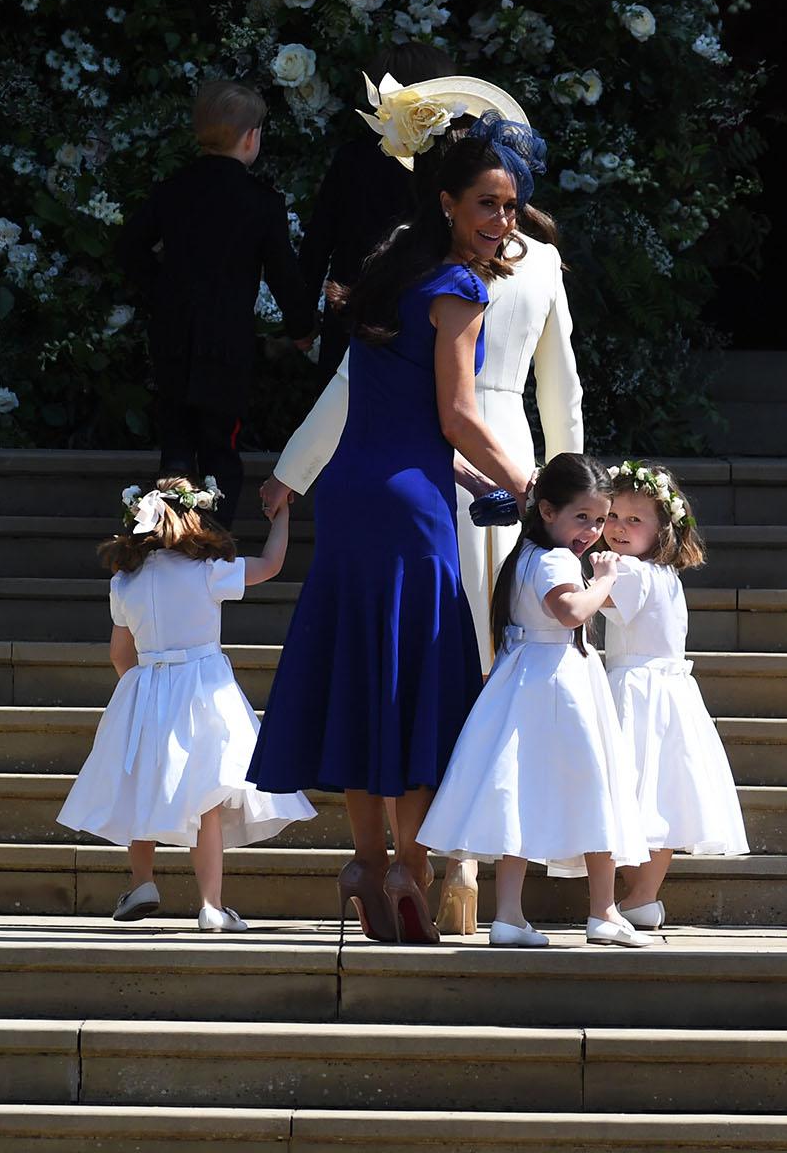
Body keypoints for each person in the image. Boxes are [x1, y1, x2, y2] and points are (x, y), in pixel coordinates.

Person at [245, 107, 542, 946]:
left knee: (364, 680)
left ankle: (368, 867)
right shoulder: (458, 288)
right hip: (407, 509)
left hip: (355, 493)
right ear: (447, 201)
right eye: (486, 203)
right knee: (412, 688)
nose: (501, 220)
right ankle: (410, 866)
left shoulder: (390, 275)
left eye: (511, 207)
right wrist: (532, 488)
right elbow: (455, 415)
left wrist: (478, 476)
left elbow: (399, 419)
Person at [265, 73, 583, 674]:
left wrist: (292, 469)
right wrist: (571, 499)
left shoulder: (408, 255)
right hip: (499, 450)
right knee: (503, 625)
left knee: (440, 626)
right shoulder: (539, 262)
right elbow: (563, 393)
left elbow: (356, 381)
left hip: (434, 451)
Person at [417, 453, 656, 947]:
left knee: (519, 793)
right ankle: (603, 910)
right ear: (547, 511)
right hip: (559, 685)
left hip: (527, 679)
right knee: (595, 785)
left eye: (599, 520)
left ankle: (509, 915)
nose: (592, 531)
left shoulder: (526, 553)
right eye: (582, 518)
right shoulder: (555, 558)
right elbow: (569, 610)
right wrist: (607, 578)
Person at [58, 477, 314, 932]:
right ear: (193, 518)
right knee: (206, 797)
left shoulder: (125, 582)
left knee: (142, 785)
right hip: (202, 691)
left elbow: (120, 654)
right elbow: (272, 565)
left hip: (147, 683)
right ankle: (211, 906)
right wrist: (284, 515)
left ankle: (142, 882)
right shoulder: (208, 571)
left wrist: (143, 692)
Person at [116, 79, 316, 528]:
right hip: (226, 341)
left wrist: (163, 290)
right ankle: (212, 541)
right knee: (219, 444)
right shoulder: (261, 203)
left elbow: (129, 248)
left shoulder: (172, 189)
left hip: (172, 334)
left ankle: (167, 541)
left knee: (176, 440)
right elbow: (284, 274)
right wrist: (303, 327)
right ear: (251, 138)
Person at [599, 460, 748, 930]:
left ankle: (638, 894)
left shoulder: (628, 572)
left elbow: (588, 603)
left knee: (625, 790)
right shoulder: (666, 576)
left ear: (662, 529)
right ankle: (643, 895)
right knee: (663, 795)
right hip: (670, 694)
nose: (619, 528)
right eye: (612, 517)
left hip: (633, 691)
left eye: (634, 520)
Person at [296, 43, 441, 380]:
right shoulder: (444, 163)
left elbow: (319, 240)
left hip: (352, 304)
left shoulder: (353, 157)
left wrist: (301, 319)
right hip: (423, 311)